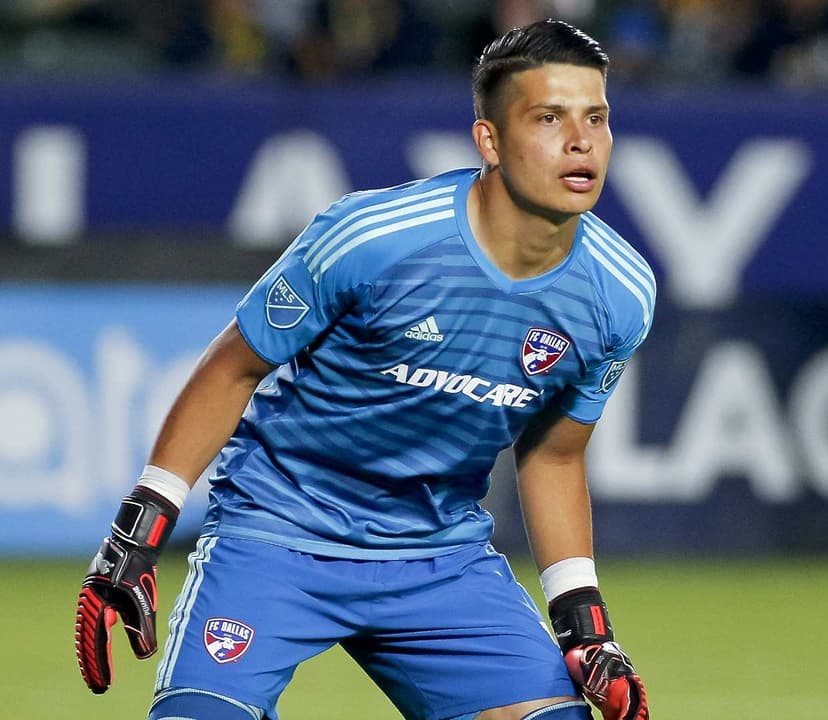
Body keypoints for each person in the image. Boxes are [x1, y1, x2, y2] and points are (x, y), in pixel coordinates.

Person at [73, 19, 653, 720]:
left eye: (596, 118)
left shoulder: (619, 293)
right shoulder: (373, 239)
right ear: (490, 141)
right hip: (278, 531)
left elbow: (554, 453)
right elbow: (233, 368)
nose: (581, 141)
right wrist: (138, 531)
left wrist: (583, 623)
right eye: (550, 118)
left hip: (437, 556)